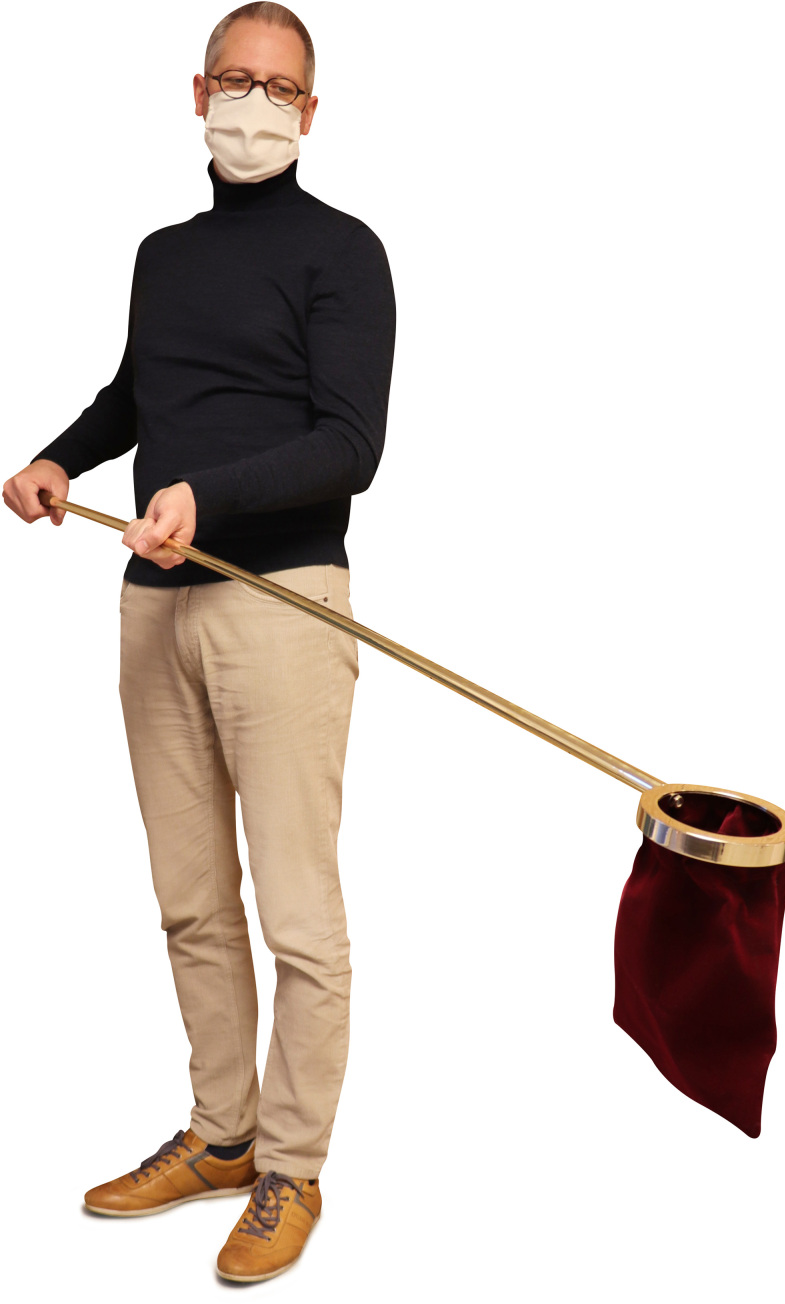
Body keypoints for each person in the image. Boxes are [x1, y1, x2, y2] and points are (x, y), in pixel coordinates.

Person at [2, 2, 395, 1285]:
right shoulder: (163, 254)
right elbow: (139, 394)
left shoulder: (343, 251)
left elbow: (350, 444)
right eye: (234, 78)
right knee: (189, 901)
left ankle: (292, 1164)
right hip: (151, 600)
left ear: (310, 111)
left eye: (277, 87)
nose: (252, 103)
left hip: (280, 602)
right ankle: (223, 1134)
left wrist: (204, 497)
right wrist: (63, 457)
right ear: (196, 92)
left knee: (298, 915)